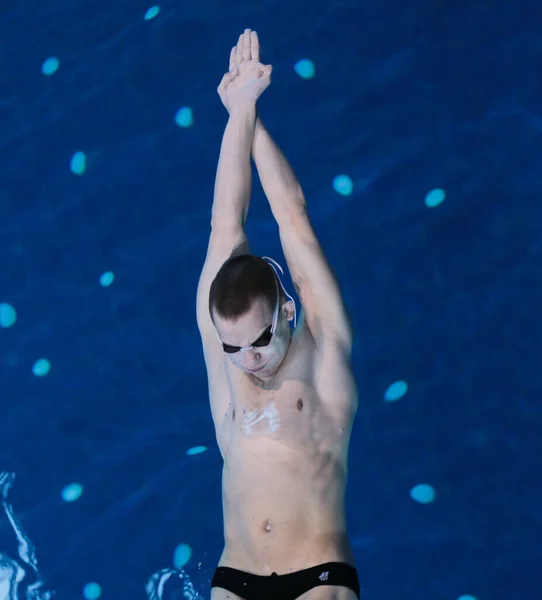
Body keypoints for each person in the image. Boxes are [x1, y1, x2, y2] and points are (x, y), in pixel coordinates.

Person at [196, 28, 360, 600]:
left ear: (287, 309)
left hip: (316, 577)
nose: (250, 360)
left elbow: (292, 218)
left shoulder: (323, 347)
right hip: (235, 576)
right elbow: (224, 226)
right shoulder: (229, 357)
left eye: (261, 339)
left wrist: (253, 113)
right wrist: (238, 111)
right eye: (233, 347)